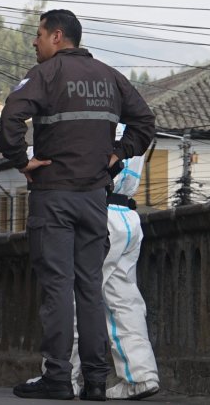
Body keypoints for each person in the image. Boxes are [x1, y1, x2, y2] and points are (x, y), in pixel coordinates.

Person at [0, 9, 155, 401]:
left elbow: (11, 116)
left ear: (56, 36)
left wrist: (21, 160)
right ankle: (97, 381)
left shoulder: (46, 75)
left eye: (37, 35)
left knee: (57, 288)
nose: (34, 42)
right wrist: (118, 154)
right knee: (90, 289)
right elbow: (145, 123)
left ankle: (58, 377)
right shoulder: (110, 76)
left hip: (54, 196)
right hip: (94, 200)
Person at [67, 152, 161, 400]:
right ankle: (141, 376)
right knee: (125, 302)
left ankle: (64, 375)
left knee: (79, 296)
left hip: (99, 213)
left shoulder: (98, 119)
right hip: (128, 216)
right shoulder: (132, 127)